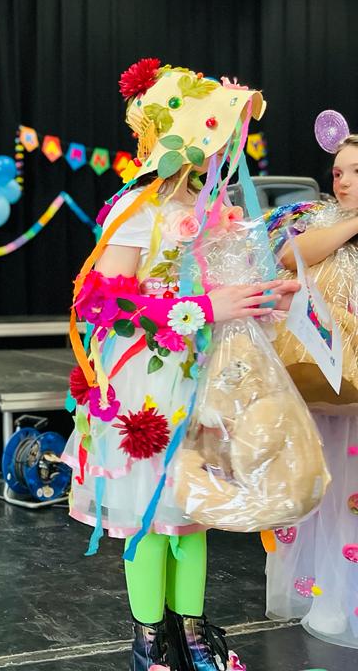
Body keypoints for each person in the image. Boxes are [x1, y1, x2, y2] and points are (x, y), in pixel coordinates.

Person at [64, 59, 298, 671]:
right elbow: (103, 305)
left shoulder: (211, 205)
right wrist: (205, 307)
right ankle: (149, 639)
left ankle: (191, 631)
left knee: (194, 509)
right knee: (149, 513)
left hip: (201, 374)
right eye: (213, 131)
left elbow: (219, 287)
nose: (223, 149)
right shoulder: (137, 207)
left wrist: (261, 298)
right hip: (145, 378)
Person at [265, 125, 358, 648]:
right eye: (338, 171)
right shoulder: (324, 220)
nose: (342, 181)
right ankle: (329, 597)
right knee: (328, 487)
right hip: (327, 380)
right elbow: (288, 256)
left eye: (356, 172)